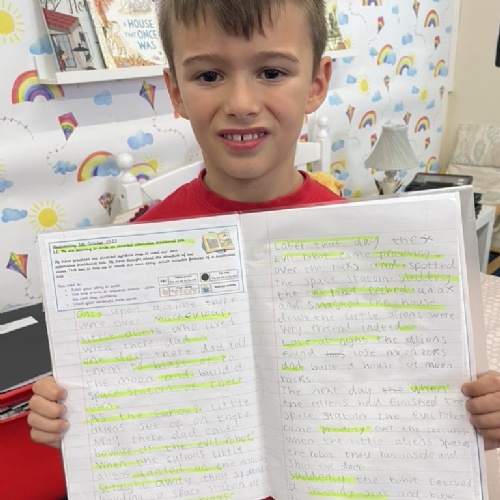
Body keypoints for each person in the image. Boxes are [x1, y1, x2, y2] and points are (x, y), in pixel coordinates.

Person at [28, 0, 500, 481]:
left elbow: (409, 400)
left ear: (316, 84)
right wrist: (65, 417)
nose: (241, 103)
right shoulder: (137, 249)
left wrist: (475, 416)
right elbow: (123, 408)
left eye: (272, 72)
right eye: (208, 76)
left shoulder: (369, 249)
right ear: (175, 92)